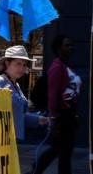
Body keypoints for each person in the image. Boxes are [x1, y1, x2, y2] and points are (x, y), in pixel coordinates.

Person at [28, 35, 81, 174]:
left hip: (68, 116)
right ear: (59, 48)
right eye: (67, 45)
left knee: (58, 149)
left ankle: (36, 169)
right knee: (64, 151)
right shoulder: (57, 67)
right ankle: (36, 168)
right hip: (61, 117)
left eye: (71, 45)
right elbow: (52, 95)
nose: (71, 48)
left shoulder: (65, 66)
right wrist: (53, 119)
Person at [0, 45, 48, 141]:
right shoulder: (0, 81)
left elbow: (18, 115)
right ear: (7, 63)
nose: (22, 68)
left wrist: (37, 119)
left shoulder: (16, 85)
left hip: (13, 140)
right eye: (18, 64)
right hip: (0, 141)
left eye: (24, 65)